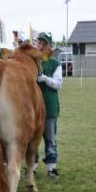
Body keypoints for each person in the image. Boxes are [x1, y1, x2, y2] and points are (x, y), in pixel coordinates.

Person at [36, 32, 63, 179]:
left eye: (44, 44)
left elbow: (58, 84)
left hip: (49, 106)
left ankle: (51, 168)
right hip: (32, 109)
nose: (40, 46)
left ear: (50, 47)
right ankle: (32, 167)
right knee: (31, 139)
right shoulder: (31, 61)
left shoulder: (55, 64)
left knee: (50, 139)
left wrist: (44, 78)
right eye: (39, 43)